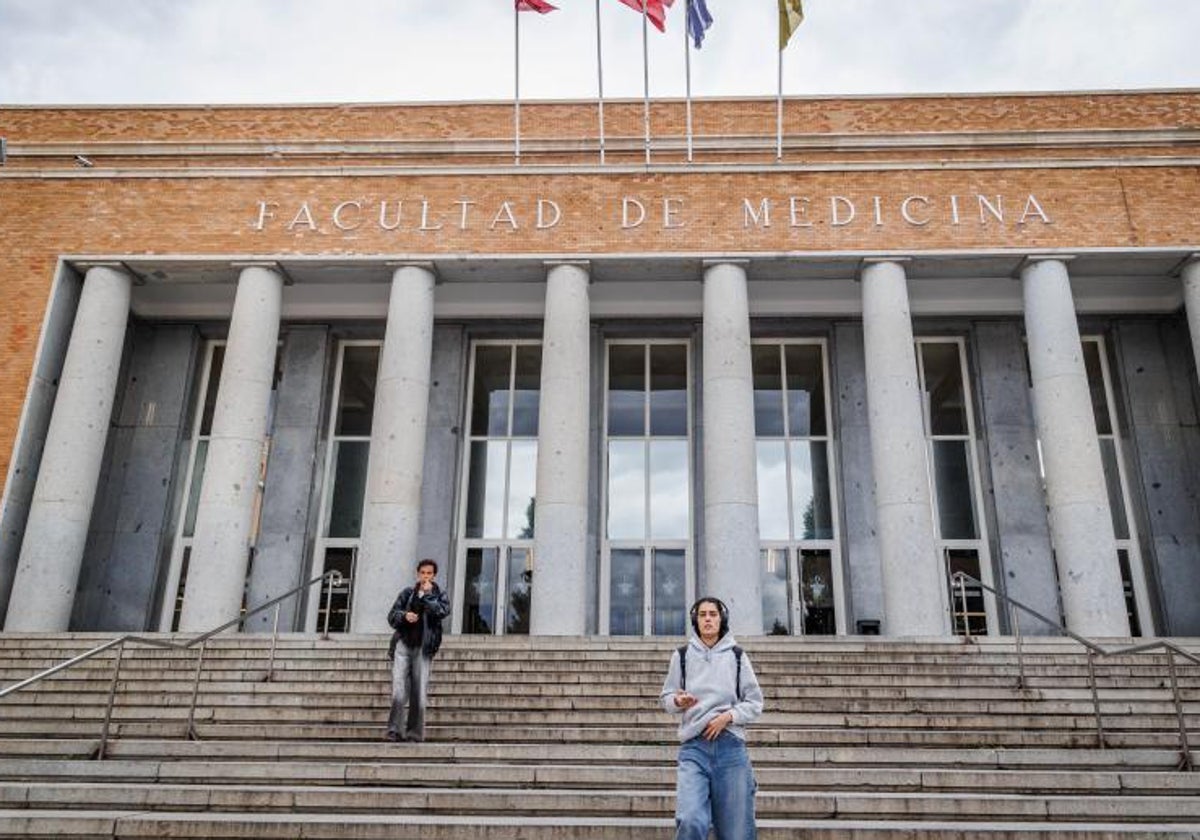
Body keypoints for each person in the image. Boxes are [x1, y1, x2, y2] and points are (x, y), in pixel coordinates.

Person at [660, 596, 764, 840]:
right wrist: (677, 700)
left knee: (736, 833)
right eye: (702, 614)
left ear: (722, 619)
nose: (707, 619)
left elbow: (755, 702)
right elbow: (666, 697)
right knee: (690, 819)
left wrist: (728, 716)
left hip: (730, 748)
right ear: (695, 621)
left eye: (713, 614)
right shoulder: (682, 656)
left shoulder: (737, 656)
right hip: (694, 749)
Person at [385, 558, 450, 742]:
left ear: (434, 575)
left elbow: (442, 612)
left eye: (429, 573)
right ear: (418, 573)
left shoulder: (440, 595)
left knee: (418, 691)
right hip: (403, 645)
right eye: (423, 573)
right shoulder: (407, 593)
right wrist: (405, 615)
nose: (426, 576)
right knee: (398, 689)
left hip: (423, 647)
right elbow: (392, 616)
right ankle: (394, 731)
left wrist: (428, 596)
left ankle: (414, 733)